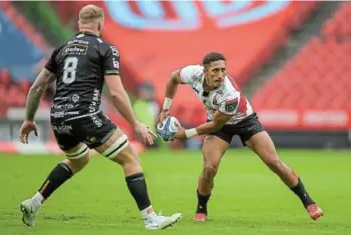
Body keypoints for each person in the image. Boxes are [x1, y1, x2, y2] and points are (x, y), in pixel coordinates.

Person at [18, 4, 181, 230]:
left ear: (79, 24)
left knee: (79, 160)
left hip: (59, 117)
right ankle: (150, 218)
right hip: (85, 114)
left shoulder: (62, 49)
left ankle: (34, 202)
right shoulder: (105, 48)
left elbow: (37, 88)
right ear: (101, 24)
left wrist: (29, 119)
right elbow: (115, 92)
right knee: (130, 158)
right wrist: (135, 124)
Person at [157, 52, 323, 222]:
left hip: (245, 122)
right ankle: (201, 209)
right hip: (218, 123)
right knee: (209, 168)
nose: (220, 75)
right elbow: (172, 78)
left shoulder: (230, 94)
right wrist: (165, 109)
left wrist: (185, 134)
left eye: (223, 70)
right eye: (215, 70)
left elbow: (215, 125)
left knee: (274, 162)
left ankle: (308, 202)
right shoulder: (193, 73)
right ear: (205, 71)